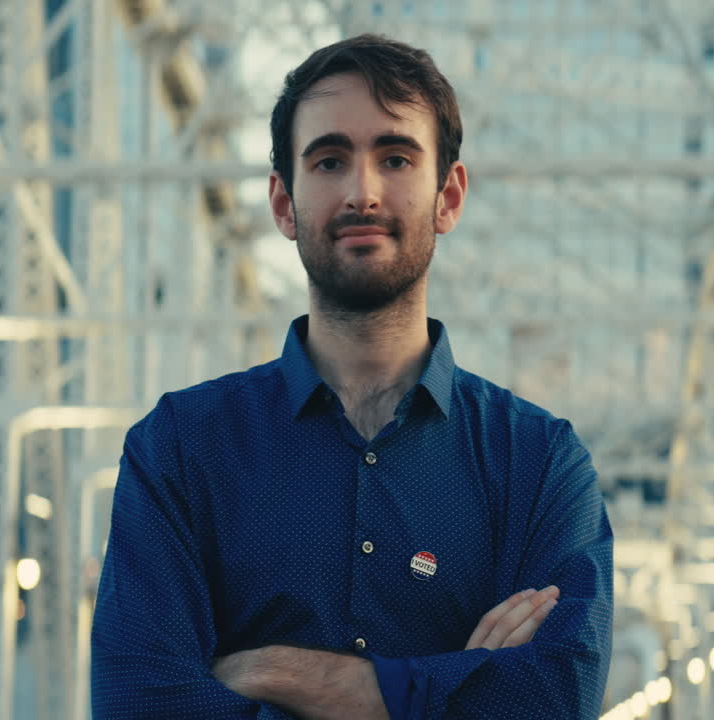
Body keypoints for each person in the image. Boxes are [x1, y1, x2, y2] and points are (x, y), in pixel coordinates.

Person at [91, 34, 613, 719]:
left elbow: (557, 695)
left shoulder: (540, 464)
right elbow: (139, 703)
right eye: (330, 160)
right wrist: (457, 685)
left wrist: (297, 677)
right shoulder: (180, 451)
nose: (362, 192)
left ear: (448, 196)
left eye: (395, 158)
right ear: (283, 204)